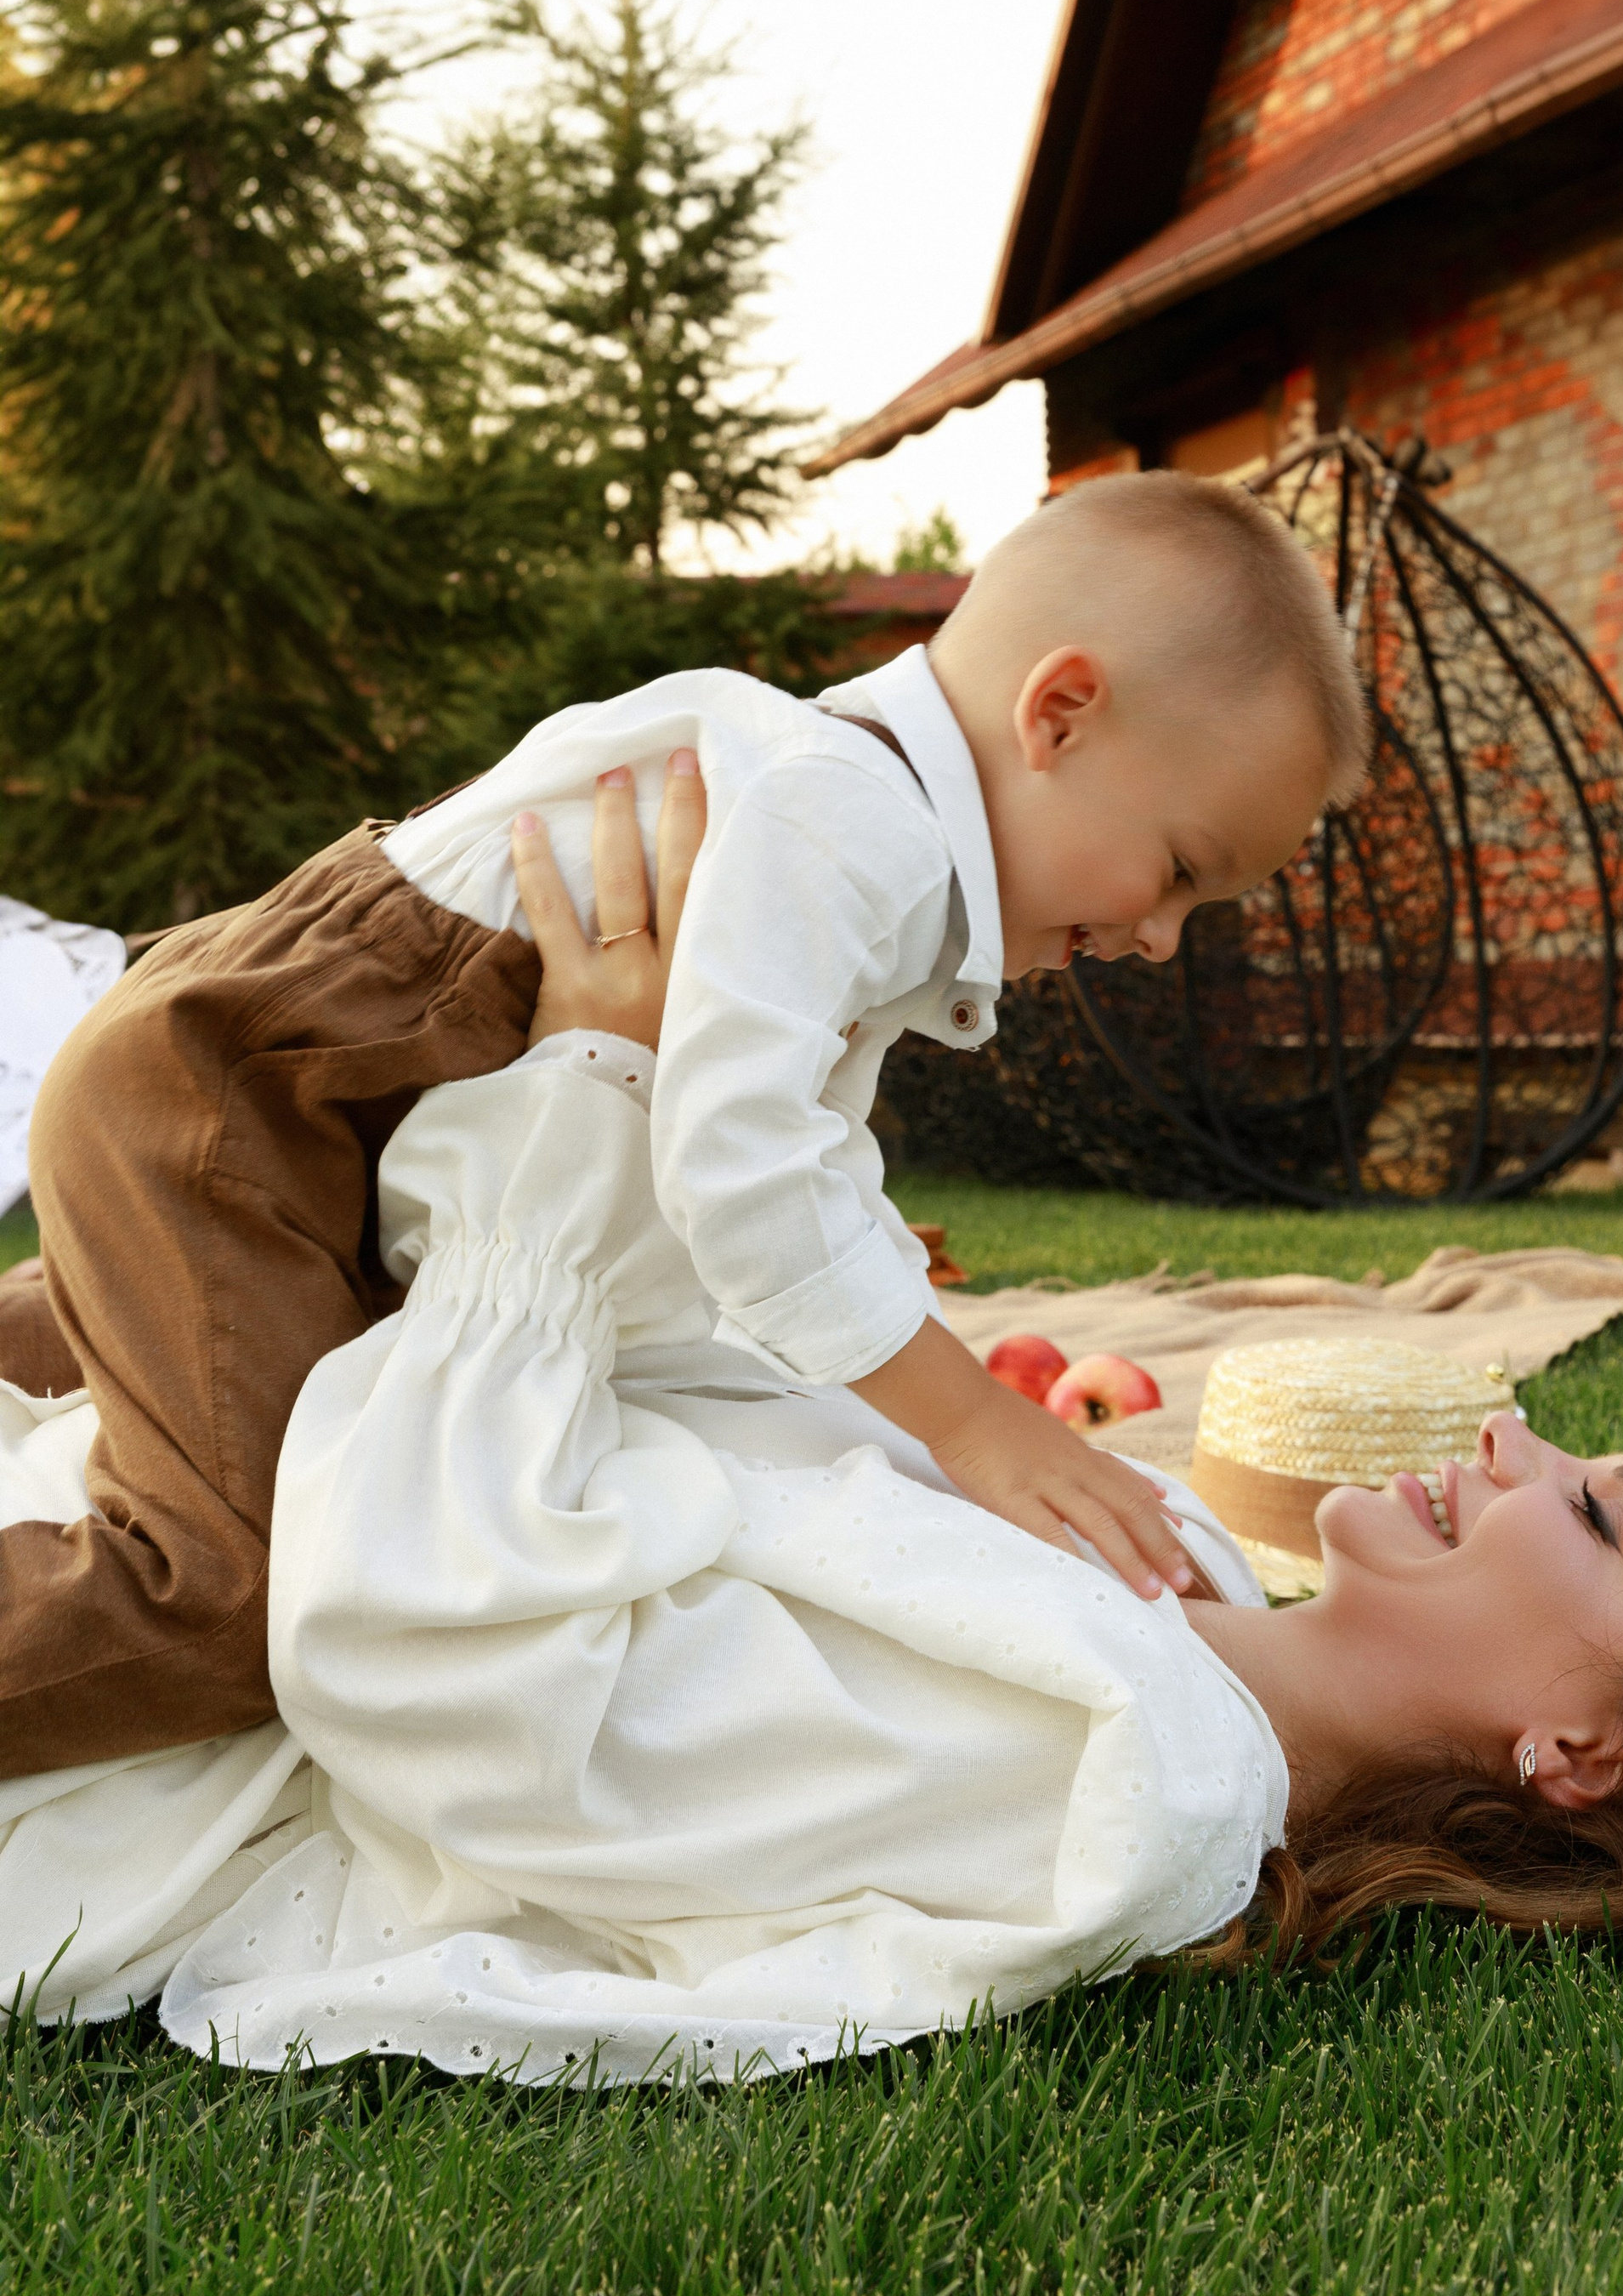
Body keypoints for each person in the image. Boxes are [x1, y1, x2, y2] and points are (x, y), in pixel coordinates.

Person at [3, 784, 1623, 2077]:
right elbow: (725, 1407)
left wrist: (579, 1101)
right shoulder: (1182, 1580)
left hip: (177, 1709)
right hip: (343, 1454)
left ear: (1577, 1758)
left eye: (1595, 1514)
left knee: (167, 1109)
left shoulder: (1121, 1772)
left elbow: (441, 1678)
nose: (1512, 1443)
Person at [0, 471, 1368, 1777]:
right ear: (1058, 713)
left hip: (282, 1129)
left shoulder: (833, 801)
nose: (1160, 938)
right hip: (230, 1108)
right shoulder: (852, 822)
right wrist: (975, 1425)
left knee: (271, 1357)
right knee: (234, 1589)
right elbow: (740, 1165)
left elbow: (797, 1155)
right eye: (1182, 870)